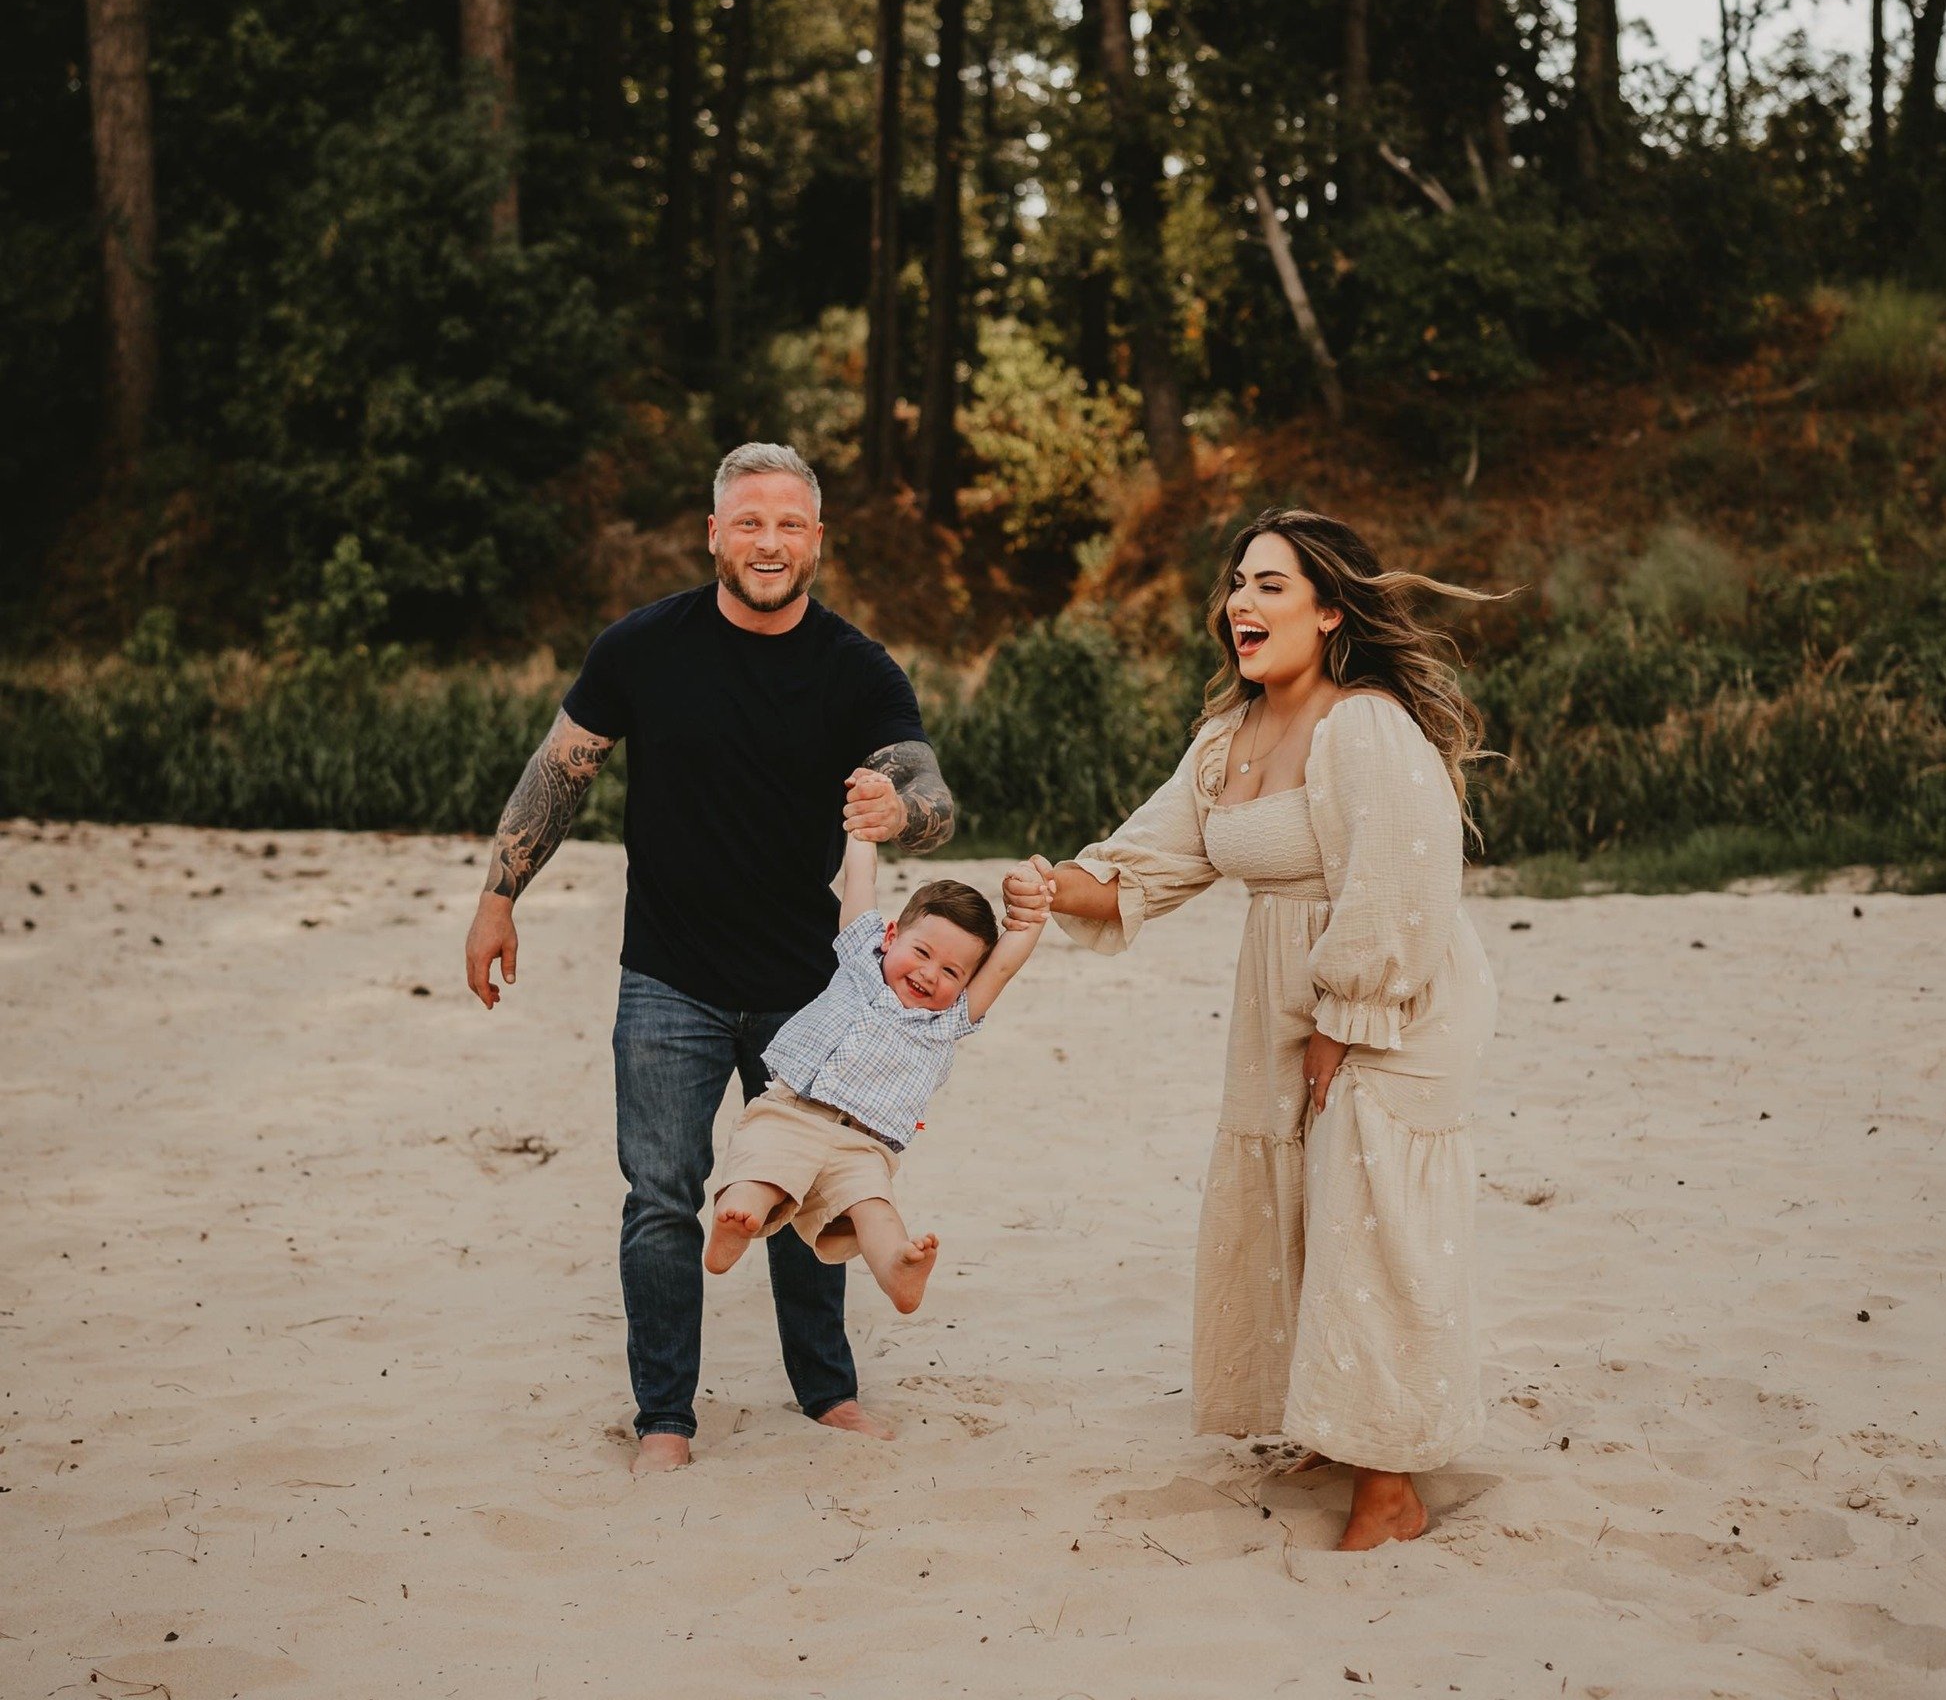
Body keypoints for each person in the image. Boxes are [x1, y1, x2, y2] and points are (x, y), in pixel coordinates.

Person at [1005, 508, 1499, 1552]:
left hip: (1392, 991)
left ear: (1329, 611)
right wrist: (1049, 883)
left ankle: (1392, 1480)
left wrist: (1344, 1019)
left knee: (1371, 1219)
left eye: (1270, 583)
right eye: (1237, 581)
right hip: (1282, 997)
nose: (1240, 600)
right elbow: (1141, 867)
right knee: (1297, 1206)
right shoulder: (1225, 741)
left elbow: (1404, 874)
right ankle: (1334, 1416)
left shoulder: (1364, 724)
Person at [462, 442, 958, 1473]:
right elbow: (558, 772)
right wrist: (496, 897)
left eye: (788, 523)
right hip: (667, 978)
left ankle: (825, 1390)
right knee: (660, 1196)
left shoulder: (856, 666)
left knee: (806, 1188)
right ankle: (665, 1418)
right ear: (713, 533)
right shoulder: (642, 647)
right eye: (748, 521)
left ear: (816, 539)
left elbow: (928, 788)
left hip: (809, 990)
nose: (767, 541)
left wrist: (899, 805)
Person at [705, 817, 1048, 1312]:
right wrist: (862, 830)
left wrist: (1031, 915)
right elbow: (859, 880)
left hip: (863, 1146)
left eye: (952, 971)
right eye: (922, 952)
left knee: (876, 1212)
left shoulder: (948, 1020)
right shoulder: (859, 961)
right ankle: (736, 1224)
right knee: (760, 1171)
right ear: (891, 936)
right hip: (791, 1113)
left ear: (967, 982)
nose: (930, 975)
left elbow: (1005, 964)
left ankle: (899, 1270)